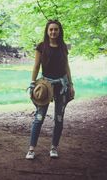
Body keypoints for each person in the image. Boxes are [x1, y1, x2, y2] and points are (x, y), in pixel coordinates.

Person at [26, 20, 75, 160]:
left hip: (61, 86)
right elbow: (36, 66)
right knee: (39, 118)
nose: (53, 32)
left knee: (59, 118)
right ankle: (31, 149)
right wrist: (32, 84)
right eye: (51, 29)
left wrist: (71, 84)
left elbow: (66, 67)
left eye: (56, 29)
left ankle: (54, 147)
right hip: (45, 86)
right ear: (47, 31)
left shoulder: (63, 47)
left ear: (59, 31)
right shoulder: (41, 47)